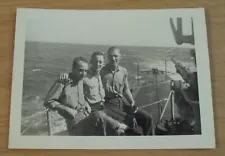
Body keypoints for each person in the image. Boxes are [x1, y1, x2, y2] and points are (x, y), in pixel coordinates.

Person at [60, 51, 129, 135]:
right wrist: (66, 75)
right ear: (91, 62)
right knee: (114, 130)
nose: (98, 64)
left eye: (100, 62)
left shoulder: (100, 74)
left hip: (103, 107)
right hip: (92, 110)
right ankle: (118, 126)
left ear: (103, 64)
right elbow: (74, 76)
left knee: (126, 121)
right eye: (96, 61)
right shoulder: (84, 75)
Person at [44, 57, 103, 136]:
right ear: (73, 69)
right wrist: (67, 110)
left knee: (102, 124)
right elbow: (48, 102)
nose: (83, 73)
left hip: (86, 114)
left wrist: (86, 104)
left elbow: (80, 95)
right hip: (74, 120)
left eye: (85, 71)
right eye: (80, 70)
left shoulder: (81, 80)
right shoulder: (63, 81)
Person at [100, 47, 153, 135]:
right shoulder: (101, 71)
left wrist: (131, 102)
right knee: (130, 121)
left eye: (116, 56)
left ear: (120, 57)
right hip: (109, 104)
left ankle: (150, 143)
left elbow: (126, 89)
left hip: (122, 102)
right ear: (107, 57)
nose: (113, 58)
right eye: (110, 56)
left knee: (147, 118)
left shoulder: (123, 71)